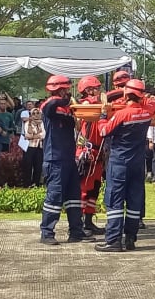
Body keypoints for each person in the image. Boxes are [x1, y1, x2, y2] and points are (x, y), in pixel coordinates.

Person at [95, 79, 152, 252]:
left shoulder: (122, 114)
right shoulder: (147, 112)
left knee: (115, 201)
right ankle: (130, 239)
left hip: (119, 162)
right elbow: (154, 104)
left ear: (126, 94)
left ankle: (113, 241)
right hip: (137, 163)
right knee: (134, 201)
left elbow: (103, 131)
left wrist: (104, 115)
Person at [39, 75, 95, 245]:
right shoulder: (50, 105)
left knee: (74, 197)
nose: (69, 91)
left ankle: (76, 231)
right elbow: (49, 107)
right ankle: (47, 233)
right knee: (54, 197)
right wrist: (65, 101)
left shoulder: (69, 108)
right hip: (55, 159)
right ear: (60, 89)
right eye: (67, 89)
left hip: (69, 159)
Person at [75, 75, 107, 234]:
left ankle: (88, 221)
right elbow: (88, 108)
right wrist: (103, 102)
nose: (99, 91)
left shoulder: (100, 104)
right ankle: (79, 224)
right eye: (97, 88)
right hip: (87, 152)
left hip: (98, 152)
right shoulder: (85, 105)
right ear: (88, 90)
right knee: (84, 189)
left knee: (94, 188)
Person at [22, 107, 45, 187]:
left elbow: (43, 135)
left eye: (37, 113)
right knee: (28, 166)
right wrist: (37, 136)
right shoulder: (27, 123)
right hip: (29, 147)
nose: (36, 115)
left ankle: (36, 184)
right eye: (33, 113)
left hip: (39, 147)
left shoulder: (42, 123)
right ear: (31, 115)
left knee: (38, 167)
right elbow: (27, 135)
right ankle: (26, 185)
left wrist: (33, 136)